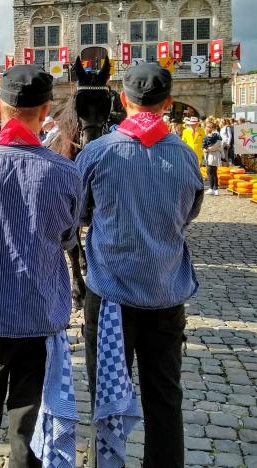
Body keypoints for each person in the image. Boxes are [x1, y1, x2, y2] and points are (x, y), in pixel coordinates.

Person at [0, 64, 82, 468]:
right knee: (29, 429)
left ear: (2, 108)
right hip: (40, 315)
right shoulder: (64, 171)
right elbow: (68, 238)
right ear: (45, 112)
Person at [76, 63, 204, 468]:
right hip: (166, 293)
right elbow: (189, 214)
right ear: (167, 102)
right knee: (165, 397)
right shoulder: (185, 156)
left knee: (108, 399)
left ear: (123, 99)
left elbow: (77, 214)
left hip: (112, 295)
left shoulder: (97, 153)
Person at [203, 120, 224, 196]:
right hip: (211, 155)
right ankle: (214, 188)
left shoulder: (215, 135)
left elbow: (216, 146)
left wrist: (207, 149)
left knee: (210, 172)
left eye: (207, 127)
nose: (205, 128)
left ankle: (213, 188)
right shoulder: (213, 134)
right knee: (212, 172)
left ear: (211, 128)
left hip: (212, 156)